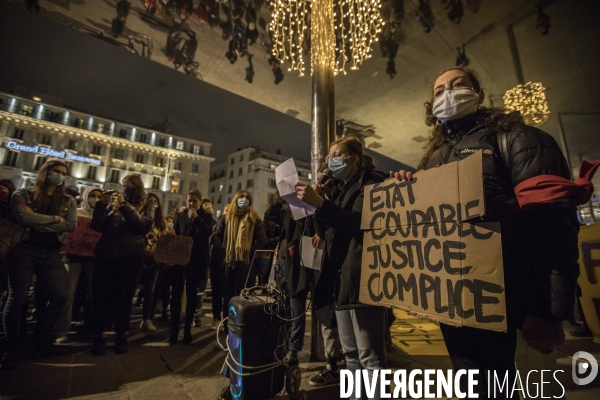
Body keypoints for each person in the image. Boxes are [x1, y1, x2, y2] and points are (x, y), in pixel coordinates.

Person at [391, 66, 582, 397]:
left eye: (457, 84)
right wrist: (409, 191)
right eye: (439, 91)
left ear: (478, 94)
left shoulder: (518, 139)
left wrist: (547, 310)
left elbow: (552, 224)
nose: (448, 93)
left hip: (512, 303)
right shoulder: (433, 160)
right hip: (454, 302)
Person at [295, 135, 388, 399]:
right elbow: (324, 232)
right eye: (329, 157)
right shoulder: (339, 188)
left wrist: (321, 204)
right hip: (340, 281)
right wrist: (318, 204)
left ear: (355, 159)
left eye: (337, 155)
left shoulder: (371, 183)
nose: (331, 161)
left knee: (370, 358)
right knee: (351, 356)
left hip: (363, 278)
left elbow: (357, 223)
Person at [1, 161, 77, 368]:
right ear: (45, 172)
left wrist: (38, 222)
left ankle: (43, 339)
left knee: (61, 295)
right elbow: (23, 217)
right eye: (56, 172)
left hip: (51, 253)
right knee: (17, 297)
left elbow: (71, 224)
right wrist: (54, 220)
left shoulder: (68, 200)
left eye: (63, 173)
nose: (60, 176)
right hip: (23, 250)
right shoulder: (23, 194)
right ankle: (10, 346)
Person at [89, 175, 154, 356]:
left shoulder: (147, 204)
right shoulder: (114, 204)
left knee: (124, 299)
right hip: (107, 255)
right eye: (123, 185)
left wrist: (125, 205)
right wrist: (102, 205)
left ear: (137, 187)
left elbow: (143, 225)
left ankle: (121, 335)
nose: (124, 189)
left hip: (130, 257)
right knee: (101, 297)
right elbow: (98, 225)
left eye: (129, 186)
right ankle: (97, 336)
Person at [212, 191, 267, 329]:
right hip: (229, 263)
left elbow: (262, 239)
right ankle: (226, 325)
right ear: (235, 199)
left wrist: (248, 252)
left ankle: (241, 326)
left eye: (247, 198)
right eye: (241, 198)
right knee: (228, 296)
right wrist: (225, 251)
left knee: (243, 295)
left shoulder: (254, 218)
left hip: (246, 264)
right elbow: (216, 235)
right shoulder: (226, 217)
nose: (243, 200)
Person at [169, 189, 214, 344]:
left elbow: (209, 232)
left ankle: (187, 329)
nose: (191, 203)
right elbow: (176, 232)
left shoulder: (206, 217)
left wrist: (197, 220)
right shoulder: (181, 216)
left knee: (192, 296)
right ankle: (174, 330)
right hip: (179, 261)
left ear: (199, 202)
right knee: (175, 296)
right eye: (189, 200)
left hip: (196, 261)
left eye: (194, 201)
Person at [58, 186, 102, 342]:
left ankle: (91, 326)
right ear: (85, 196)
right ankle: (62, 330)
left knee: (95, 294)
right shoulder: (75, 213)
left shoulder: (103, 216)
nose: (96, 199)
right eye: (93, 195)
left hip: (94, 259)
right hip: (73, 257)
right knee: (68, 294)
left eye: (99, 196)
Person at [139, 193, 169, 332]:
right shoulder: (138, 217)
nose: (152, 203)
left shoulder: (161, 222)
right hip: (138, 257)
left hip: (154, 261)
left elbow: (164, 238)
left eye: (155, 201)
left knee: (150, 291)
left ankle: (147, 319)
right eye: (149, 201)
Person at [209, 205, 227, 330]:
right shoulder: (218, 226)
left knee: (226, 293)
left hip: (227, 263)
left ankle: (224, 319)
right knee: (217, 292)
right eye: (226, 210)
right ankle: (216, 317)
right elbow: (214, 238)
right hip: (217, 262)